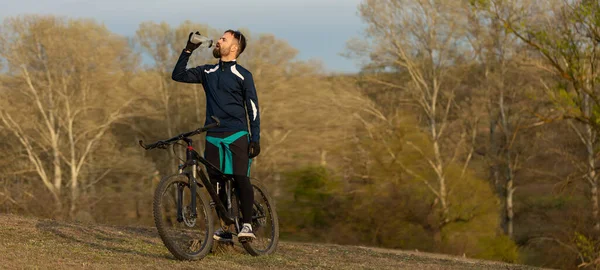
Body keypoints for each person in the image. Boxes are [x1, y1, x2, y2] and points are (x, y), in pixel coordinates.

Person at [171, 29, 261, 241]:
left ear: (235, 47)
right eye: (220, 38)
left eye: (224, 39)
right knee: (217, 183)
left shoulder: (243, 75)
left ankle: (247, 224)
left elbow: (253, 108)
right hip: (213, 135)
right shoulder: (207, 72)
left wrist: (255, 138)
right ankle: (226, 229)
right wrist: (188, 49)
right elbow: (178, 75)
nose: (218, 41)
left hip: (237, 133)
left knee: (240, 178)